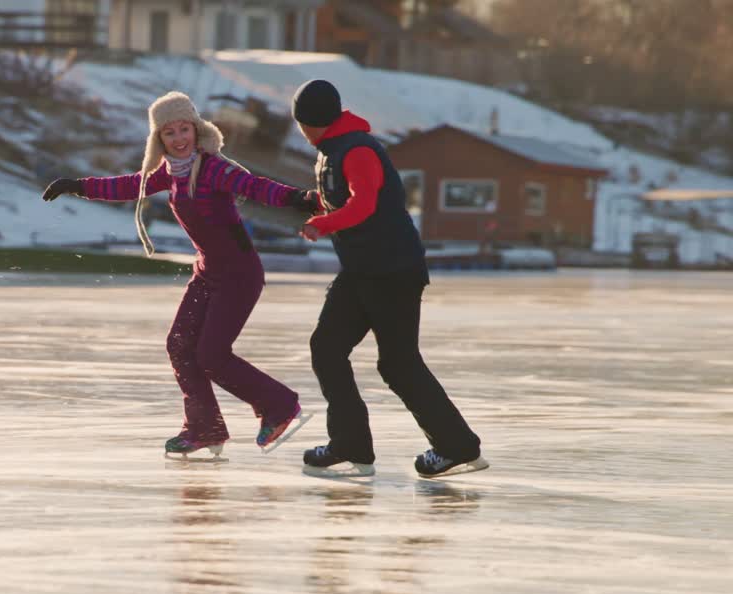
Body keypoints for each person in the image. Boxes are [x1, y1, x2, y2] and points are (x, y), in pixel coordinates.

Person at [42, 91, 314, 459]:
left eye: (184, 128)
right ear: (159, 139)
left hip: (239, 273)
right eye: (169, 133)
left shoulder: (214, 167)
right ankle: (204, 427)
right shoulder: (168, 172)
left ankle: (280, 405)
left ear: (197, 129)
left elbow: (256, 186)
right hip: (208, 272)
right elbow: (128, 185)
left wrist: (300, 198)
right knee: (180, 346)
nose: (179, 138)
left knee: (213, 354)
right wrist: (77, 185)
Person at [290, 79, 487, 479]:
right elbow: (346, 198)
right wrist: (316, 203)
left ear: (307, 122)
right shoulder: (332, 150)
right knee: (326, 348)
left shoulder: (358, 149)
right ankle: (351, 445)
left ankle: (457, 447)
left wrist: (324, 223)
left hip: (393, 272)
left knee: (398, 364)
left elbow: (365, 204)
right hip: (362, 271)